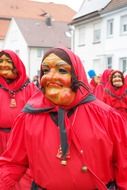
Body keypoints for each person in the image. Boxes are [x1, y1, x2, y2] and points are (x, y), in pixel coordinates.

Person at [0, 47, 127, 190]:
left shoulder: (107, 116)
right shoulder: (28, 117)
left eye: (62, 70)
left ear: (76, 75)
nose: (50, 77)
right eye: (46, 71)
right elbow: (12, 163)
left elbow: (124, 165)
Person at [0, 49, 39, 189]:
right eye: (1, 61)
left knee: (23, 176)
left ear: (16, 65)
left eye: (8, 61)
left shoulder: (30, 88)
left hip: (22, 140)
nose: (4, 64)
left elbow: (40, 113)